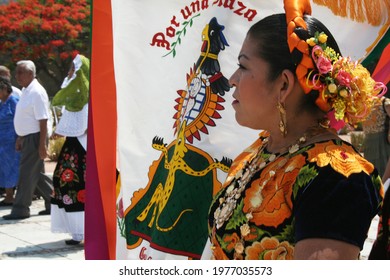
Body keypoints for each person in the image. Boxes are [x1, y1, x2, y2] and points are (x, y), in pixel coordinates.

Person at [205, 0, 386, 260]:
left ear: (284, 85)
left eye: (243, 66)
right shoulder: (260, 150)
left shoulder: (336, 176)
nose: (232, 79)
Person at [2, 60, 53, 220]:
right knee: (35, 174)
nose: (17, 76)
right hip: (28, 137)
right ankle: (55, 202)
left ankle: (20, 209)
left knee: (25, 173)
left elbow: (43, 119)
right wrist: (21, 137)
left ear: (31, 73)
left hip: (36, 137)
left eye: (20, 72)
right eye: (16, 72)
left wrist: (42, 145)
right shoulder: (27, 90)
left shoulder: (36, 92)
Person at [50, 54, 89, 245]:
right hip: (73, 147)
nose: (69, 73)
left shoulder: (88, 97)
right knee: (66, 185)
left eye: (73, 69)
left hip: (84, 150)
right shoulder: (75, 97)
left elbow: (86, 126)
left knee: (78, 186)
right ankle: (77, 231)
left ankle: (84, 230)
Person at [0, 77, 20, 206]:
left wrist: (19, 138)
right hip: (3, 142)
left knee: (12, 169)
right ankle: (8, 195)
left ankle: (10, 196)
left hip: (12, 141)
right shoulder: (2, 103)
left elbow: (20, 120)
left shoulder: (14, 101)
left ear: (5, 89)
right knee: (5, 169)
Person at [362, 93, 390, 176]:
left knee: (383, 169)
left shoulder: (384, 101)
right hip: (369, 141)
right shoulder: (363, 102)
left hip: (381, 141)